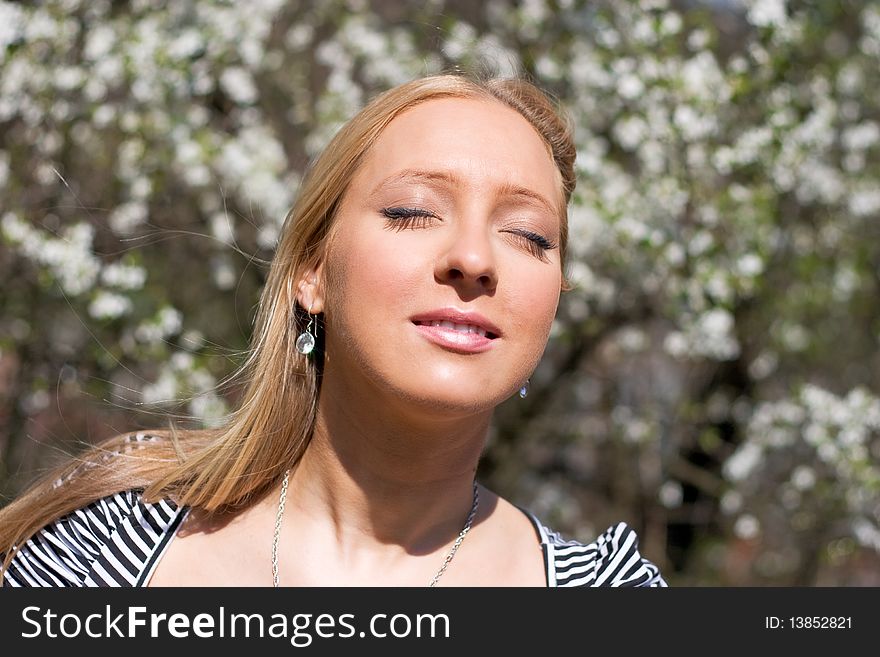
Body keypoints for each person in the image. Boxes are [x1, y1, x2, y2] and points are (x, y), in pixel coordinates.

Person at [0, 72, 667, 587]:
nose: (474, 259)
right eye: (412, 211)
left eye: (528, 235)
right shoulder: (101, 559)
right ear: (312, 271)